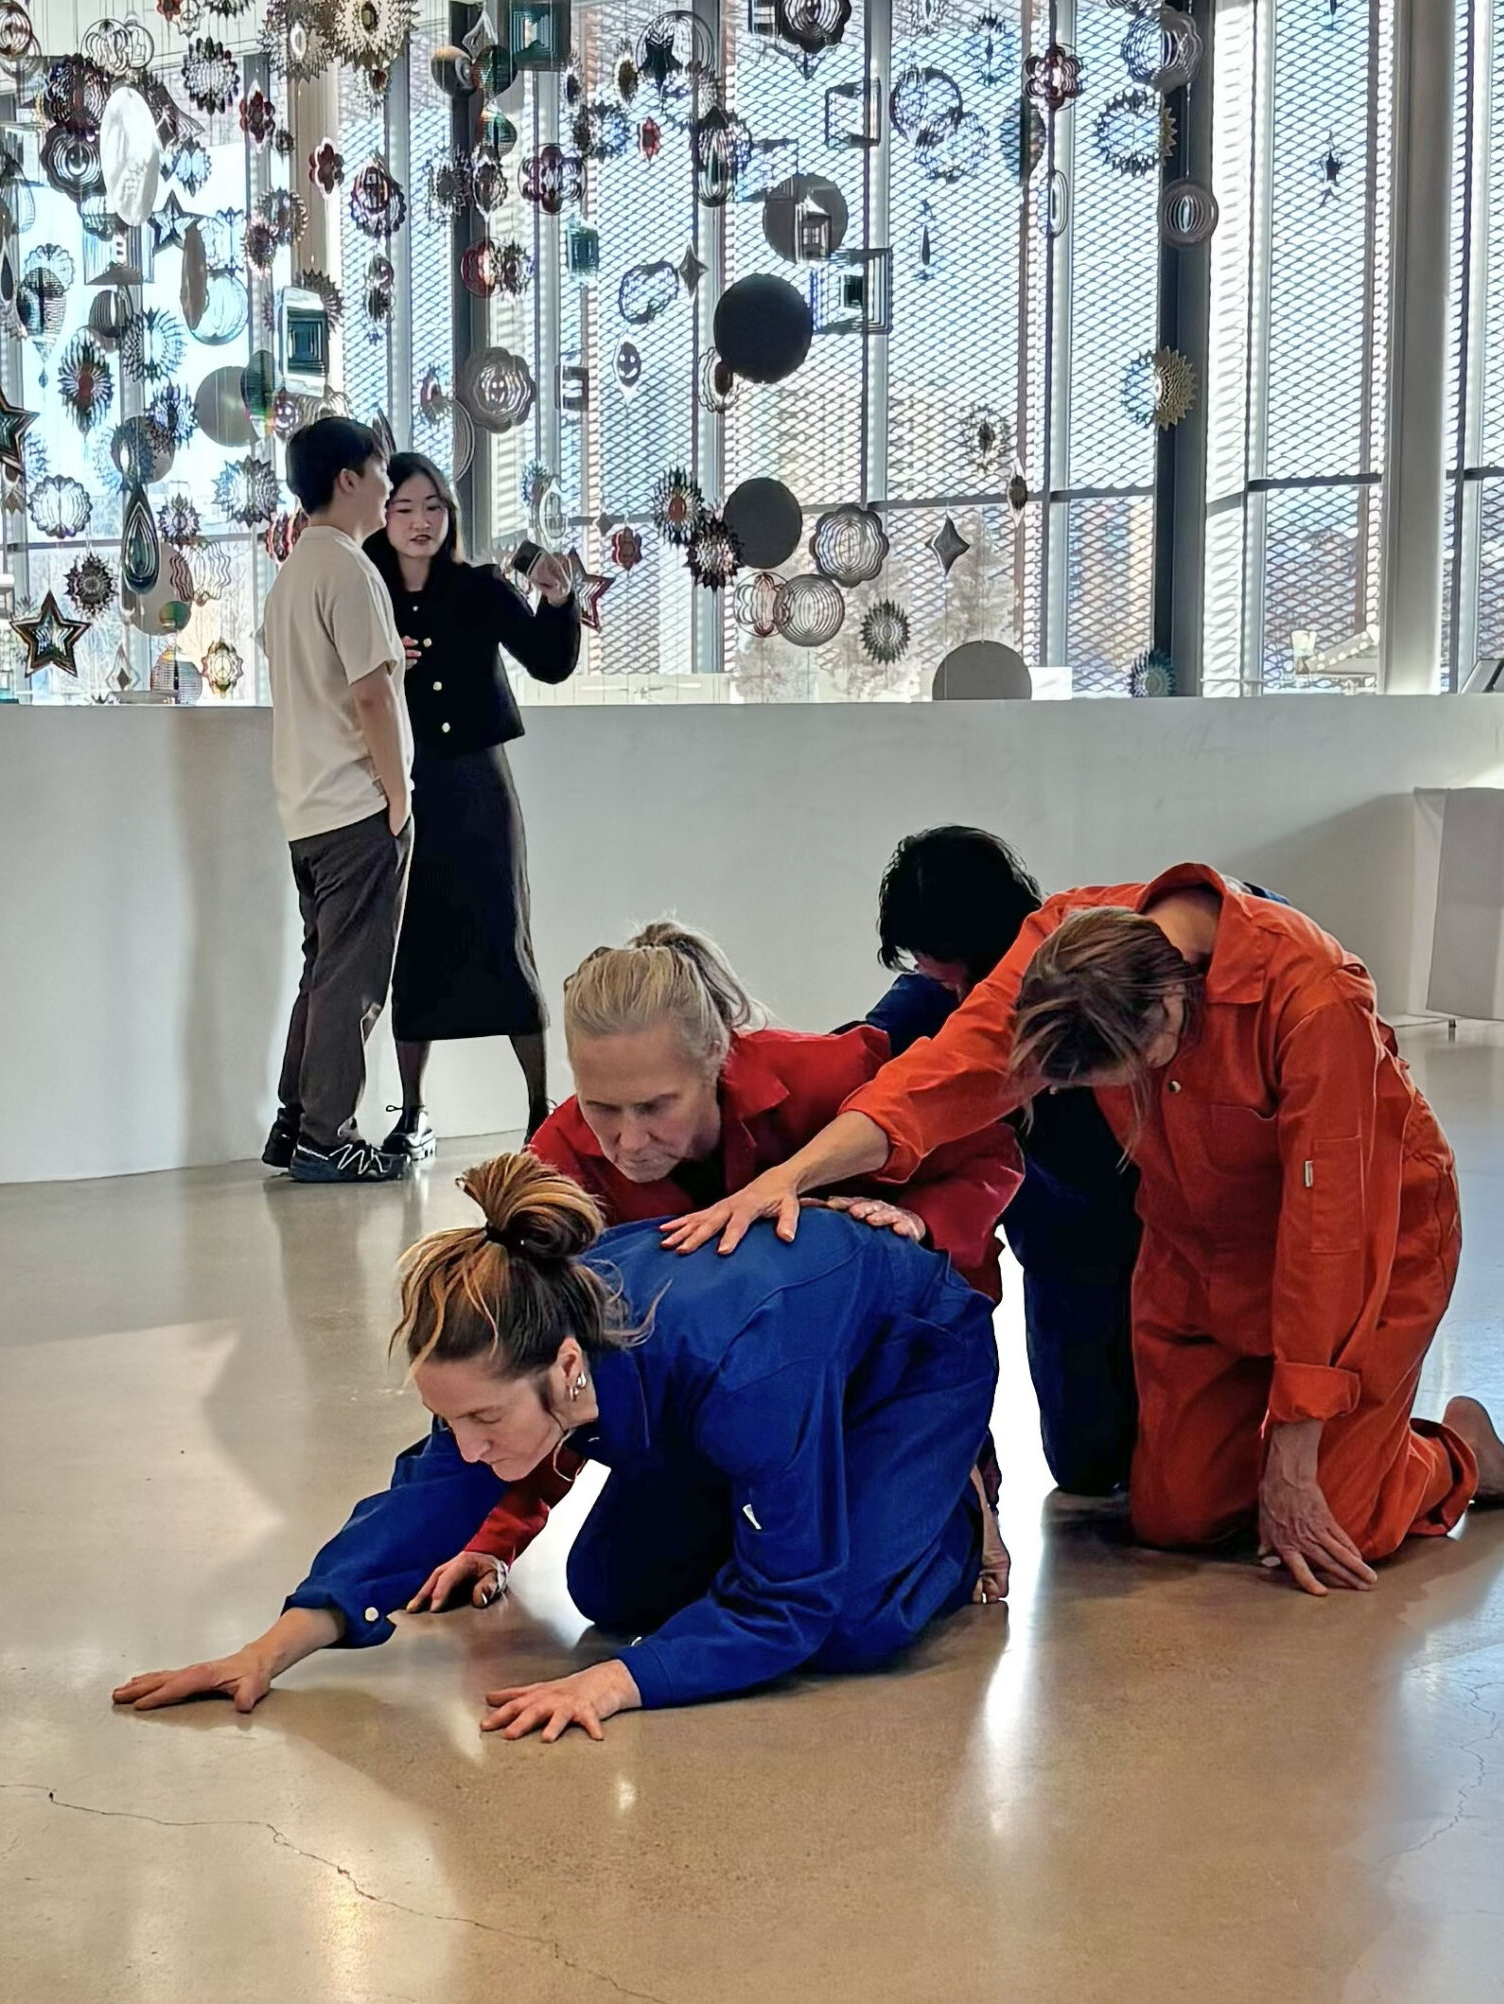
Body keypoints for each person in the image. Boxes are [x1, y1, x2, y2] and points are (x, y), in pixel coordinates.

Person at [671, 865, 1504, 1595]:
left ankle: (1458, 1450)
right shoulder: (1069, 947)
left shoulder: (1311, 998)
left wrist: (1300, 1448)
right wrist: (790, 1176)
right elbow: (945, 1074)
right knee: (1175, 1518)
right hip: (1200, 1246)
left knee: (1341, 1519)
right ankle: (1317, 1451)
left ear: (1171, 1005)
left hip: (1374, 1245)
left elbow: (1333, 1231)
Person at [113, 1153, 1000, 1740]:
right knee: (612, 1588)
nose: (467, 1446)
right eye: (452, 1420)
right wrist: (266, 1650)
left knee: (841, 1620)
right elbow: (424, 1501)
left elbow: (789, 1604)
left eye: (485, 1423)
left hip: (905, 1361)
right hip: (763, 1384)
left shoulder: (743, 1374)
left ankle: (952, 1520)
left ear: (569, 1369)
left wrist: (614, 1684)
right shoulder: (524, 1330)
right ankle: (799, 1502)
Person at [412, 920, 1023, 1604]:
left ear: (714, 1059)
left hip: (874, 1377)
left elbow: (988, 1158)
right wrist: (492, 1537)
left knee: (851, 1608)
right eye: (600, 1107)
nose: (625, 1139)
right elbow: (537, 1365)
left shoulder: (830, 1076)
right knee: (613, 1590)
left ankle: (958, 1507)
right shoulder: (562, 1163)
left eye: (654, 1106)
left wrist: (923, 1222)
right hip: (717, 1407)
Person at [861, 827, 1142, 1496]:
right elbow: (853, 1057)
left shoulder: (1077, 981)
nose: (928, 971)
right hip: (1060, 1256)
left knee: (1181, 1465)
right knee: (1088, 1464)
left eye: (935, 956)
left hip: (1153, 1241)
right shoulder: (930, 998)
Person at [362, 453, 580, 1160]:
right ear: (381, 516)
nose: (421, 522)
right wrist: (387, 661)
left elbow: (549, 661)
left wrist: (555, 599)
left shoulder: (480, 587)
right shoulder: (364, 589)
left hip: (480, 791)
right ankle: (414, 1112)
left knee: (505, 941)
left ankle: (538, 1112)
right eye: (403, 508)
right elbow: (330, 673)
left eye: (434, 507)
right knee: (414, 948)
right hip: (402, 785)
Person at [257, 416, 414, 1184]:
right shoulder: (350, 571)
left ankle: (295, 1122)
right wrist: (397, 796)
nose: (389, 490)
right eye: (380, 473)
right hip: (354, 806)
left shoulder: (293, 574)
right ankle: (327, 1135)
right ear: (348, 479)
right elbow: (371, 696)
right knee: (353, 978)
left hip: (306, 810)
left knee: (322, 972)